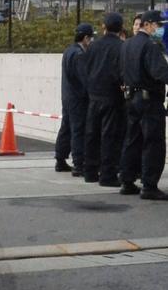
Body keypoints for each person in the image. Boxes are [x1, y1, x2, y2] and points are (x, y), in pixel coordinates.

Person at [119, 10, 168, 200]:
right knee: (153, 142)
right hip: (149, 101)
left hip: (131, 98)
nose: (159, 28)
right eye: (157, 25)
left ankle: (127, 180)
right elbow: (160, 73)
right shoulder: (150, 46)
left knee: (132, 140)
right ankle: (149, 185)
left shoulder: (127, 44)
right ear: (147, 24)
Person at [83, 13, 126, 186]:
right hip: (113, 96)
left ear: (103, 27)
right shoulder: (121, 47)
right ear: (121, 29)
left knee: (92, 134)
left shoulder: (93, 46)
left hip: (94, 95)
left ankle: (90, 171)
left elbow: (86, 68)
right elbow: (122, 71)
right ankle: (108, 174)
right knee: (110, 136)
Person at [54, 23, 93, 175]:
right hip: (78, 97)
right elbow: (84, 78)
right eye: (90, 38)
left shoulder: (68, 51)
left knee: (66, 127)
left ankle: (60, 158)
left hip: (67, 96)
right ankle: (78, 163)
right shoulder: (79, 54)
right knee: (78, 129)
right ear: (85, 38)